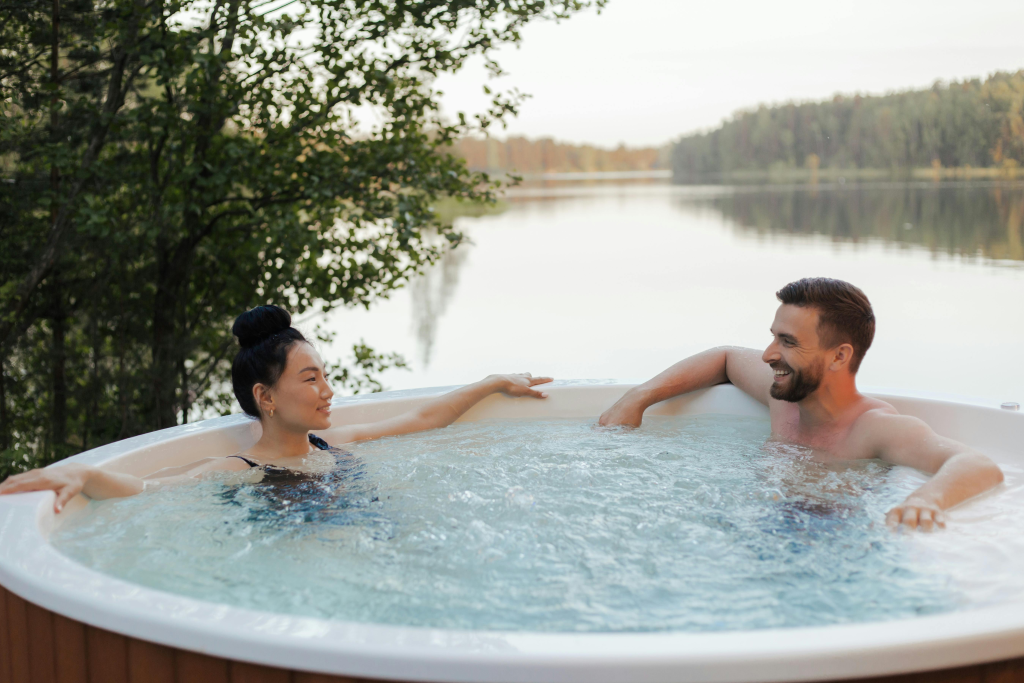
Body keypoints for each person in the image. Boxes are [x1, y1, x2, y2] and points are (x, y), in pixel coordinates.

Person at [0, 305, 552, 512]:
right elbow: (148, 489)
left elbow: (423, 419)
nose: (328, 391)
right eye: (310, 379)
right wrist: (81, 472)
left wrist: (490, 382)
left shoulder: (335, 444)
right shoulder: (238, 471)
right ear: (265, 398)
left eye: (326, 376)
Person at [598, 277, 1004, 532]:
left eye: (788, 342)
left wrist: (925, 499)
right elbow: (723, 357)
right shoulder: (786, 400)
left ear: (839, 356)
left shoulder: (874, 428)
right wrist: (638, 398)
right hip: (763, 527)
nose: (768, 354)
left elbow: (979, 466)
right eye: (774, 337)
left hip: (835, 543)